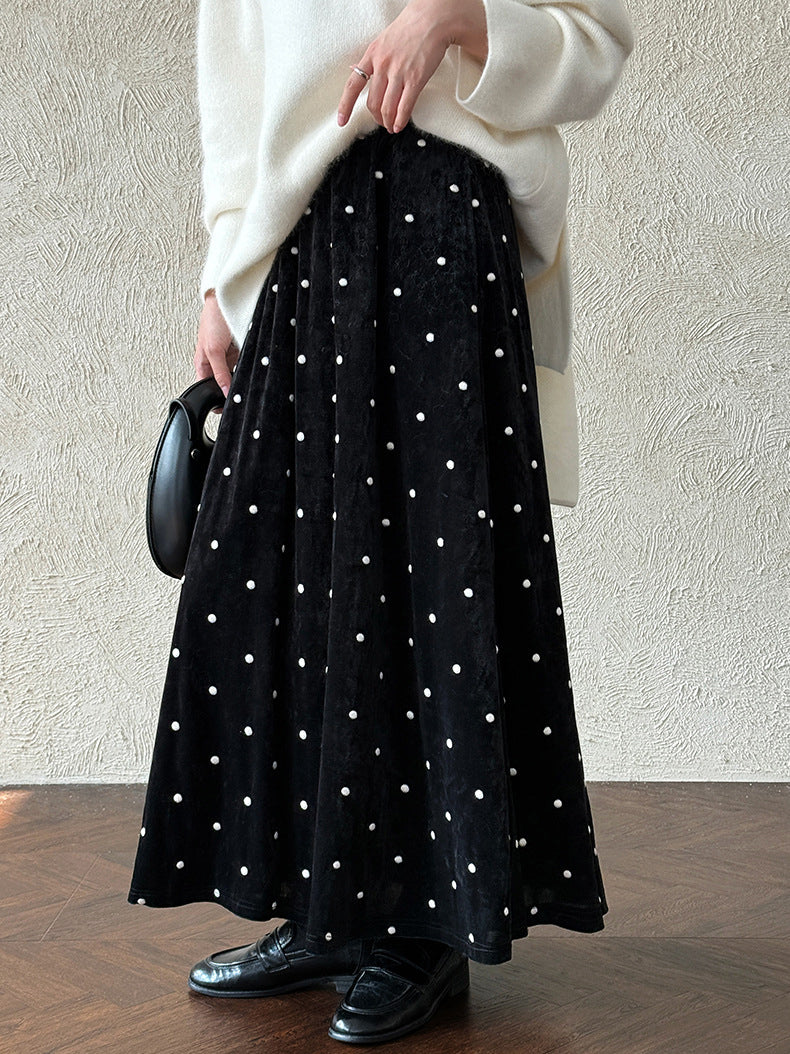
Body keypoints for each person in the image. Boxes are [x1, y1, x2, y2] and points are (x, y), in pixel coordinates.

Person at [128, 0, 635, 1044]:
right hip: (301, 240)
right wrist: (221, 274)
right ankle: (329, 910)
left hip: (446, 219)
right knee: (291, 580)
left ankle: (422, 930)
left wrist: (458, 18)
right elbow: (236, 81)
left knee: (431, 587)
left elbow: (594, 43)